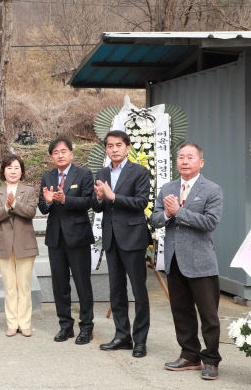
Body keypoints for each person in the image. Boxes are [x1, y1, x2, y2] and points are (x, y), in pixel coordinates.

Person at [150, 143, 223, 381]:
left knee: (208, 314)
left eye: (189, 157)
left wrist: (179, 212)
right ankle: (190, 355)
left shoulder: (212, 189)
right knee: (181, 312)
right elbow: (155, 218)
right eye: (180, 157)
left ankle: (211, 359)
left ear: (200, 162)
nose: (184, 161)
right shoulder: (168, 187)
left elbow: (210, 222)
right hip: (174, 260)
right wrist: (168, 214)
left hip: (201, 262)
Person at [91, 130, 151, 358]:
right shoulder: (103, 172)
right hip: (111, 238)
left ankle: (140, 340)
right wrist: (99, 197)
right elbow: (98, 207)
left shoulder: (139, 171)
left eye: (118, 145)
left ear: (127, 148)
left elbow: (141, 202)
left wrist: (113, 196)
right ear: (106, 149)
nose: (114, 149)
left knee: (138, 291)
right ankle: (122, 336)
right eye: (110, 146)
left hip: (133, 239)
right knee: (116, 291)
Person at [39, 138, 95, 345]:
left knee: (82, 283)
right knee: (59, 285)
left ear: (71, 153)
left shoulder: (84, 174)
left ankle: (86, 327)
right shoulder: (48, 176)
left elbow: (88, 202)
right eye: (55, 152)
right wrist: (47, 200)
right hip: (56, 238)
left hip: (78, 238)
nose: (60, 155)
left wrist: (65, 199)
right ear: (51, 156)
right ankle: (65, 325)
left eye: (63, 151)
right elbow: (43, 207)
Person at [0, 154, 38, 337]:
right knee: (9, 287)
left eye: (17, 168)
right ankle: (12, 323)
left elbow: (31, 212)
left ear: (22, 171)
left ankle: (25, 323)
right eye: (9, 168)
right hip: (3, 245)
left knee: (24, 286)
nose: (13, 171)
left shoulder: (29, 190)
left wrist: (15, 204)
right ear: (3, 171)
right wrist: (7, 208)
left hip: (25, 244)